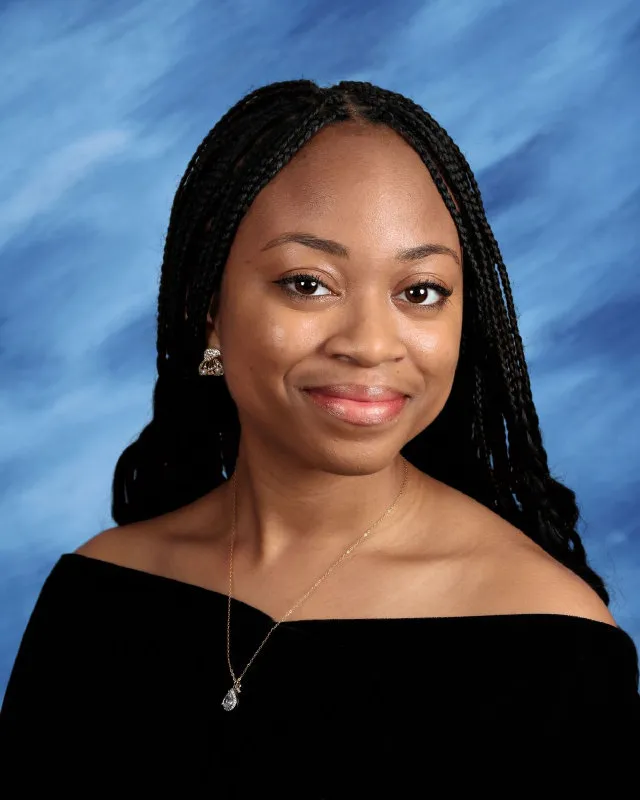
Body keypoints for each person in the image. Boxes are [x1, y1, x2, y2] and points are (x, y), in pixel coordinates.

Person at [1, 79, 638, 795]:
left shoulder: (555, 641)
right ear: (208, 306)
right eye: (308, 283)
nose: (369, 344)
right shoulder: (98, 596)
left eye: (420, 291)